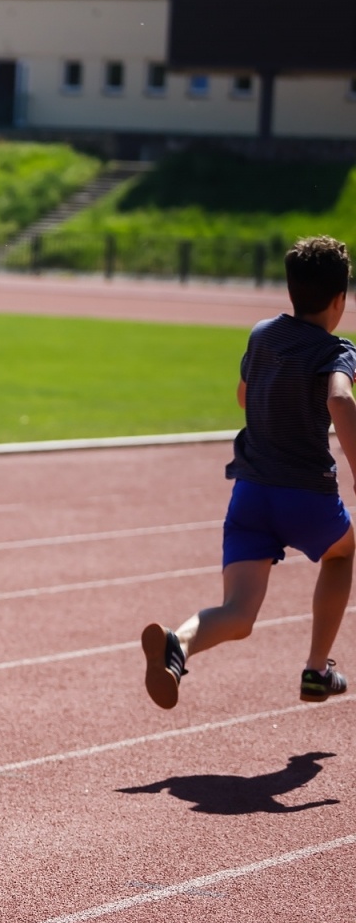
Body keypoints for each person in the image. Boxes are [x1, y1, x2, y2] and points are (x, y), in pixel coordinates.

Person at [143, 236, 356, 709]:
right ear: (340, 300)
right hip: (306, 496)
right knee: (342, 553)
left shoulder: (262, 335)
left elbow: (243, 395)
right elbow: (340, 398)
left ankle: (177, 645)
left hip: (251, 495)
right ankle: (318, 669)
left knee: (238, 613)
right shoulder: (337, 349)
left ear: (291, 291)